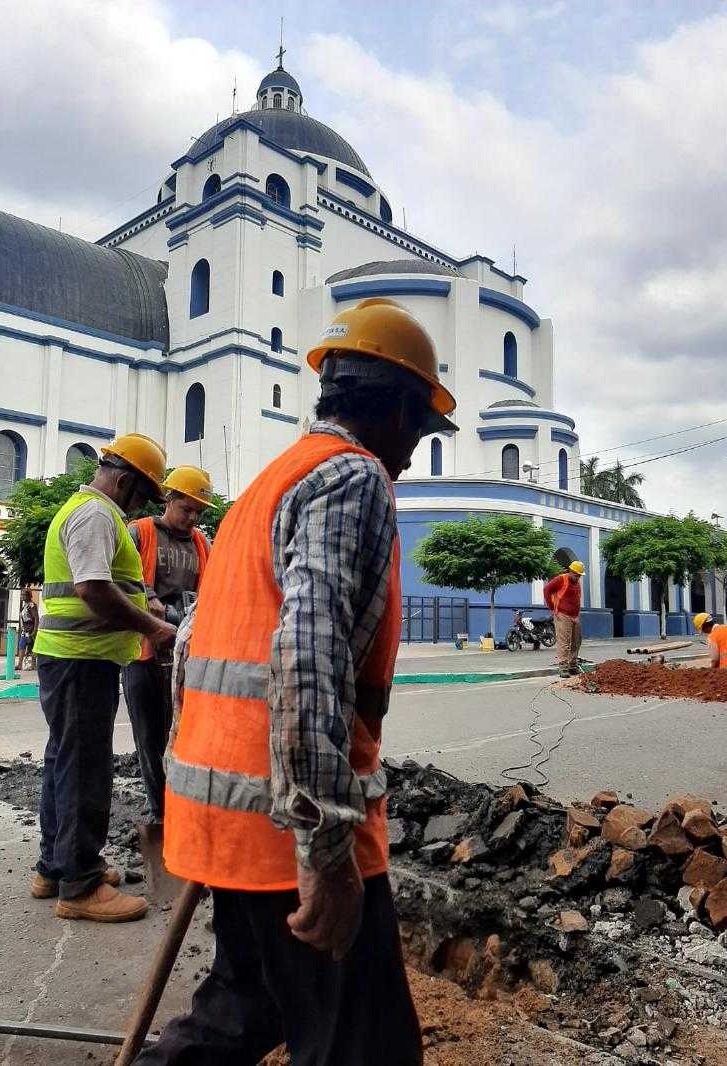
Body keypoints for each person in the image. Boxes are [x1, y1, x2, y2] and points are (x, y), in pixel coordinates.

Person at [136, 298, 458, 1066]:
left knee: (241, 1013)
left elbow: (192, 650)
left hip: (226, 813)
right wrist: (325, 849)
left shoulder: (268, 485)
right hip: (286, 828)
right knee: (365, 1045)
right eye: (418, 427)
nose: (414, 451)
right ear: (394, 410)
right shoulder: (353, 477)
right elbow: (307, 660)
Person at [32, 434, 178, 923]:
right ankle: (80, 884)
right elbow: (92, 589)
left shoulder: (94, 513)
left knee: (64, 759)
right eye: (142, 494)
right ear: (123, 480)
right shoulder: (96, 515)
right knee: (84, 767)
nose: (141, 505)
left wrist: (147, 603)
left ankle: (54, 866)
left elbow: (111, 583)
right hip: (81, 659)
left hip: (73, 659)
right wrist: (153, 627)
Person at [123, 466, 212, 826]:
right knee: (150, 737)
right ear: (169, 499)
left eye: (198, 512)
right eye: (186, 508)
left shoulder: (203, 543)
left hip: (186, 656)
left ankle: (183, 809)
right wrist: (146, 597)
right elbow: (115, 579)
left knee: (187, 737)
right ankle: (162, 814)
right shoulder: (139, 532)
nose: (192, 518)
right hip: (143, 654)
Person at [544, 560, 585, 677]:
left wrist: (576, 613)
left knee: (576, 641)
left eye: (579, 575)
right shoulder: (561, 579)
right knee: (564, 641)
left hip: (575, 616)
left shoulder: (577, 583)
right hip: (562, 614)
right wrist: (552, 607)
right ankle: (563, 666)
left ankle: (572, 664)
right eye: (576, 574)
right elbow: (546, 590)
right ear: (571, 571)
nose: (578, 577)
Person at [16, 588, 38, 671]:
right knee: (21, 645)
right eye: (22, 594)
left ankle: (33, 665)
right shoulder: (24, 605)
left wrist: (35, 630)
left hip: (30, 629)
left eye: (24, 594)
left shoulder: (31, 605)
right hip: (24, 630)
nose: (22, 596)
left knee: (31, 646)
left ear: (29, 596)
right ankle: (19, 665)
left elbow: (36, 618)